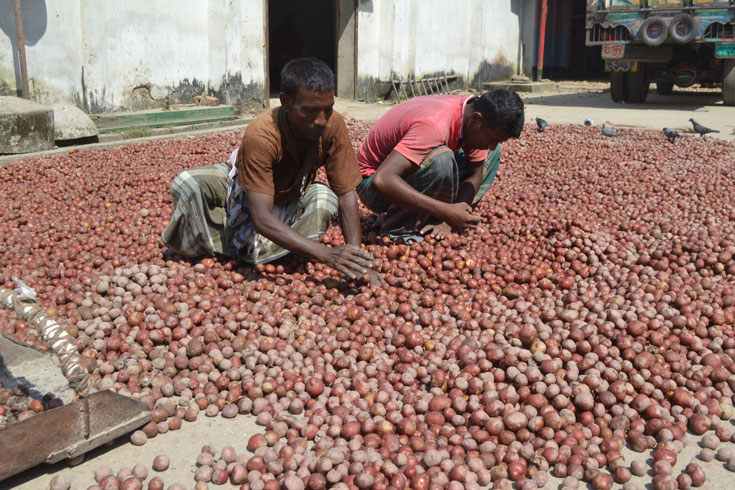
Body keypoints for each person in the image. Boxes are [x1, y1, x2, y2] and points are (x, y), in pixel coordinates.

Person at [161, 57, 376, 281]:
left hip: (289, 195)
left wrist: (356, 259)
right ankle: (210, 246)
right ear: (285, 102)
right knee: (187, 184)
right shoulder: (261, 134)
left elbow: (345, 194)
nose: (322, 121)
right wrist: (327, 255)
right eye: (310, 111)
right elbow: (261, 217)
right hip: (244, 189)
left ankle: (256, 251)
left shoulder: (333, 125)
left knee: (326, 199)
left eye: (328, 109)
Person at [355, 89, 525, 239]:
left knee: (491, 154)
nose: (492, 144)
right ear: (476, 119)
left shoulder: (470, 113)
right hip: (371, 184)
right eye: (492, 139)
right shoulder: (434, 125)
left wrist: (450, 219)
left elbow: (475, 174)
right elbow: (382, 180)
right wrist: (444, 211)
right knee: (441, 158)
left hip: (398, 173)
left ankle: (440, 215)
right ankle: (398, 231)